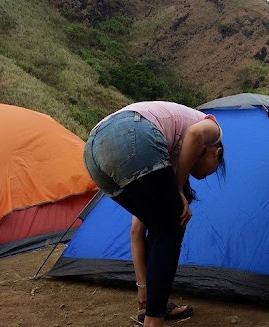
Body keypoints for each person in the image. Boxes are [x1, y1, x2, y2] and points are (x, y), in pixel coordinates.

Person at [84, 101, 225, 327]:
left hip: (94, 151)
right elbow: (196, 133)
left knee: (160, 225)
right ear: (215, 153)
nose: (206, 176)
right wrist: (178, 189)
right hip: (131, 134)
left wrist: (143, 288)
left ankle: (156, 304)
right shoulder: (214, 130)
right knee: (173, 224)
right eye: (213, 170)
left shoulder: (161, 157)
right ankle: (154, 320)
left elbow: (137, 230)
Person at [131, 177, 196, 323]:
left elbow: (136, 232)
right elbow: (136, 231)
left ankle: (158, 307)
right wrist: (142, 286)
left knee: (158, 235)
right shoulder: (152, 184)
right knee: (163, 237)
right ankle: (154, 314)